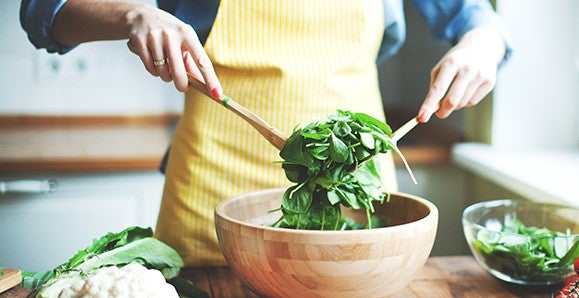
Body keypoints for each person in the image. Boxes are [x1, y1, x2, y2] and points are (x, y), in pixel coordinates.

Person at [21, 0, 512, 266]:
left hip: (356, 189)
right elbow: (44, 11)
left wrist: (483, 43)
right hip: (210, 194)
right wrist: (136, 15)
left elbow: (475, 16)